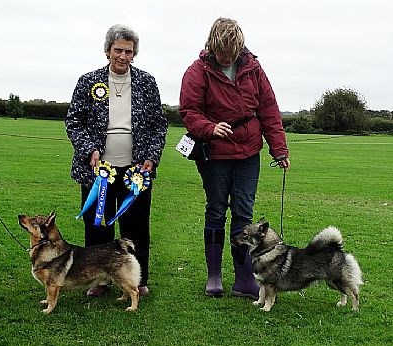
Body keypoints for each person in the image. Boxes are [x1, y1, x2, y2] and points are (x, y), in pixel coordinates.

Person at [179, 18, 290, 300]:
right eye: (220, 52)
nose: (225, 57)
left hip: (249, 153)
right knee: (216, 210)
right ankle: (214, 276)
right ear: (212, 45)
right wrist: (209, 128)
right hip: (215, 155)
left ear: (239, 46)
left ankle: (243, 279)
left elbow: (269, 111)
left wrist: (279, 150)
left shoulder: (253, 69)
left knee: (244, 214)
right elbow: (189, 111)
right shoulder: (197, 71)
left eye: (230, 52)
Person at [65, 24, 168, 297]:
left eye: (129, 51)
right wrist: (89, 150)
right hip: (98, 170)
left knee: (136, 227)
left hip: (136, 170)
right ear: (107, 50)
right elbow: (74, 122)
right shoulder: (88, 81)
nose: (123, 56)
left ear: (135, 54)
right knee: (98, 225)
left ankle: (138, 279)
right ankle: (99, 281)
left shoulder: (147, 82)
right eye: (118, 50)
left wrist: (151, 157)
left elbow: (159, 125)